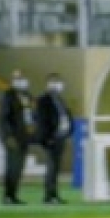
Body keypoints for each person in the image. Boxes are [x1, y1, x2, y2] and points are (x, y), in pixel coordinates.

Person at [33, 72, 74, 204]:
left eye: (59, 81)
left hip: (60, 137)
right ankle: (49, 196)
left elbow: (65, 116)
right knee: (52, 167)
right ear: (49, 84)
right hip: (51, 138)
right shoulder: (43, 100)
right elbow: (41, 120)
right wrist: (47, 137)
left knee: (56, 168)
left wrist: (68, 132)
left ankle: (54, 195)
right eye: (55, 82)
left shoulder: (59, 99)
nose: (58, 84)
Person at [0, 68, 34, 205]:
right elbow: (3, 117)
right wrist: (8, 136)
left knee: (19, 167)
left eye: (22, 78)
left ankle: (14, 195)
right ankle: (7, 195)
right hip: (13, 137)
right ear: (12, 81)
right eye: (17, 78)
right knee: (12, 166)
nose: (21, 81)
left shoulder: (27, 96)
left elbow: (29, 114)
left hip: (24, 135)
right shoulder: (8, 95)